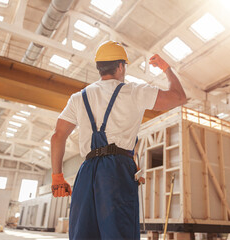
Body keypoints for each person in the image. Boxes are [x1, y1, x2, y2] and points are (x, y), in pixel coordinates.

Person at [50, 41, 186, 240]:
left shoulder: (79, 97)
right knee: (119, 233)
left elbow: (58, 136)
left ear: (99, 67)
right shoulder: (134, 91)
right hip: (116, 171)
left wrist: (57, 177)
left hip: (87, 170)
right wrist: (167, 69)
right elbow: (178, 97)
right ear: (121, 66)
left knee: (83, 234)